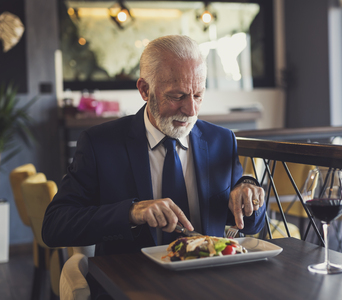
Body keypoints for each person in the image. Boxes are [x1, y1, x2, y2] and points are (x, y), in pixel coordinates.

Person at [42, 35, 265, 260]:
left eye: (198, 95)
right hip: (133, 282)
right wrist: (130, 213)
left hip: (209, 281)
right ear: (144, 90)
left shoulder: (221, 139)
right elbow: (55, 226)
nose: (191, 110)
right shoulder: (100, 144)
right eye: (177, 96)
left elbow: (251, 223)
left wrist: (249, 191)